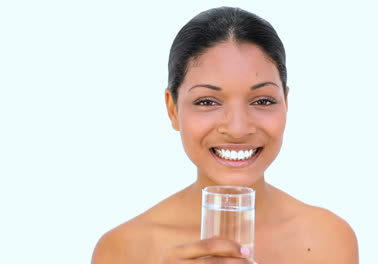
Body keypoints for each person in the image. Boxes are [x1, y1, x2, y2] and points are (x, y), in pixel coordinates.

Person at [92, 6, 358, 264]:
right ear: (172, 109)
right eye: (207, 101)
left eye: (263, 101)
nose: (237, 129)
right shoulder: (123, 249)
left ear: (286, 103)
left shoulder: (329, 239)